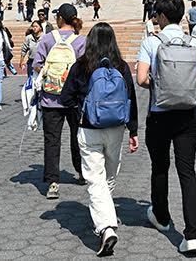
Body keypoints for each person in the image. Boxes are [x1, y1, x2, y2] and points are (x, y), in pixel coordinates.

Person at [58, 22, 139, 256]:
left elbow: (65, 98)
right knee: (109, 176)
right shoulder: (121, 67)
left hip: (89, 128)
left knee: (95, 179)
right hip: (116, 129)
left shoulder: (81, 65)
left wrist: (79, 111)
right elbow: (131, 99)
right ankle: (106, 221)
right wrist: (133, 131)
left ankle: (105, 224)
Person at [135, 0, 196, 255]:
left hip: (160, 113)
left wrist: (161, 85)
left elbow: (141, 79)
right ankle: (192, 236)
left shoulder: (151, 42)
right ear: (182, 16)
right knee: (188, 173)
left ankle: (162, 218)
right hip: (188, 114)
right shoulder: (194, 43)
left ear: (162, 17)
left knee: (160, 167)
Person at [33, 3, 86, 199]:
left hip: (50, 98)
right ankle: (81, 172)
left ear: (60, 19)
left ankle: (53, 182)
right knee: (78, 137)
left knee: (52, 140)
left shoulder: (47, 39)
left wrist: (49, 73)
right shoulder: (81, 41)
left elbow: (37, 64)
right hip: (73, 99)